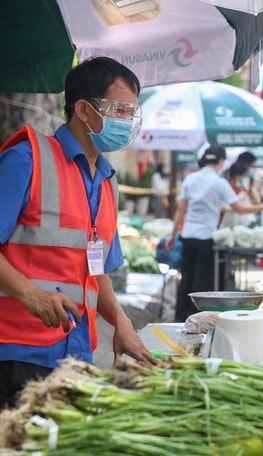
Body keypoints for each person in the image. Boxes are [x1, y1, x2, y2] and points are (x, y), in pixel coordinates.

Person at [0, 56, 157, 408]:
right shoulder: (28, 158)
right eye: (119, 109)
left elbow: (95, 266)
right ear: (84, 110)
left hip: (75, 351)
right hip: (16, 352)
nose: (126, 121)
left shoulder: (105, 182)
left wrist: (121, 322)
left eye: (131, 112)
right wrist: (33, 296)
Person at [165, 146, 263, 323]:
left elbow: (181, 208)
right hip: (207, 238)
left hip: (187, 235)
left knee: (186, 278)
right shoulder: (219, 183)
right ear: (220, 161)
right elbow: (239, 208)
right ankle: (197, 320)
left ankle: (180, 319)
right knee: (202, 283)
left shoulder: (191, 178)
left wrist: (172, 235)